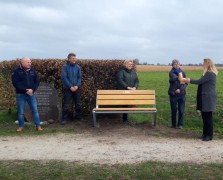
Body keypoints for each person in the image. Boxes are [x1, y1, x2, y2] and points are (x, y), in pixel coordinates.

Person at [185, 58, 218, 141]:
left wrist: (189, 80)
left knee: (207, 117)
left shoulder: (209, 74)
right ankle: (205, 134)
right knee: (205, 116)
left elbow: (199, 81)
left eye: (203, 63)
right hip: (206, 97)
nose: (202, 65)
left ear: (207, 64)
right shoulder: (208, 73)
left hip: (208, 98)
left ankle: (209, 135)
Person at [11, 57, 43, 132]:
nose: (30, 63)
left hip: (31, 94)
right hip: (20, 94)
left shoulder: (32, 71)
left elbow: (37, 82)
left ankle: (38, 126)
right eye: (28, 62)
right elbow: (15, 83)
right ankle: (20, 126)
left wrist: (32, 90)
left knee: (35, 110)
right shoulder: (16, 71)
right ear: (22, 63)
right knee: (21, 112)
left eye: (30, 62)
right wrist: (25, 90)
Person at [61, 53, 82, 125]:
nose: (74, 59)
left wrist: (76, 86)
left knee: (78, 104)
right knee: (66, 104)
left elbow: (79, 77)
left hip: (76, 88)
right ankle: (64, 119)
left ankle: (78, 118)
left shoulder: (78, 67)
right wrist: (70, 86)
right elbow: (64, 78)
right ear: (69, 59)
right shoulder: (65, 67)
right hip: (67, 89)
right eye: (73, 58)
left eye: (75, 58)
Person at [168, 59, 187, 129]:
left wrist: (180, 89)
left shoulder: (183, 72)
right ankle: (173, 124)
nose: (177, 65)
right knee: (174, 110)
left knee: (181, 110)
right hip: (173, 94)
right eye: (175, 64)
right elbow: (176, 78)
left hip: (182, 94)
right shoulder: (171, 72)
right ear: (172, 65)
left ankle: (180, 124)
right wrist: (181, 78)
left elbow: (185, 83)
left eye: (178, 64)